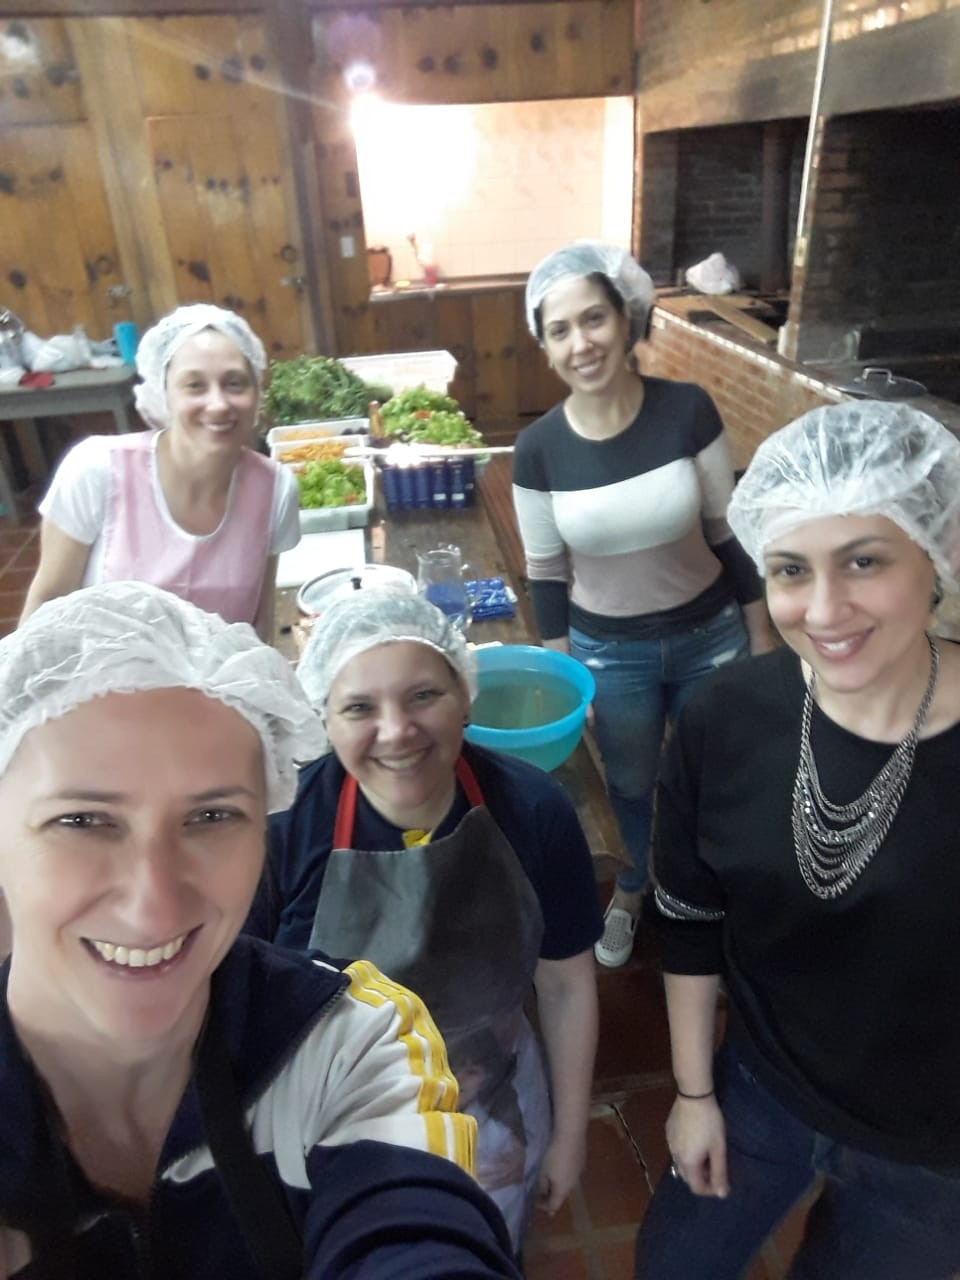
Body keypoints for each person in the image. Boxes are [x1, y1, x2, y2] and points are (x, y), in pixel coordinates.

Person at [0, 581, 521, 1279]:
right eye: (82, 820)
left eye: (212, 817)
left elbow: (417, 1234)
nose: (152, 904)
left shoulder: (347, 1042)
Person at [634, 401, 960, 1279]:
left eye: (863, 561)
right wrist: (693, 1093)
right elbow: (691, 917)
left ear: (938, 550)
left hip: (929, 1155)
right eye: (789, 569)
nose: (823, 610)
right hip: (759, 1091)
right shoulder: (724, 716)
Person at [247, 588, 602, 1253]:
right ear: (323, 716)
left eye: (423, 695)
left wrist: (570, 1134)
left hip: (494, 1111)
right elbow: (246, 1016)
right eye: (359, 707)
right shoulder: (283, 832)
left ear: (466, 694)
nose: (397, 731)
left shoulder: (534, 809)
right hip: (333, 1129)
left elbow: (565, 986)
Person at [512, 240, 775, 969]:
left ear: (626, 318)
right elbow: (546, 575)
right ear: (545, 348)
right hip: (609, 653)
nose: (581, 342)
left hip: (711, 636)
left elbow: (729, 533)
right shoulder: (537, 449)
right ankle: (633, 888)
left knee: (713, 777)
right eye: (560, 330)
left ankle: (707, 893)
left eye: (593, 319)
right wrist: (565, 676)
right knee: (629, 783)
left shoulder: (687, 411)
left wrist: (762, 638)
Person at [19, 304, 300, 640]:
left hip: (220, 674)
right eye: (194, 385)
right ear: (163, 394)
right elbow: (45, 607)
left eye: (235, 383)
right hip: (102, 672)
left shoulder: (274, 490)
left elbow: (260, 620)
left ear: (256, 395)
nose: (218, 404)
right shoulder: (97, 470)